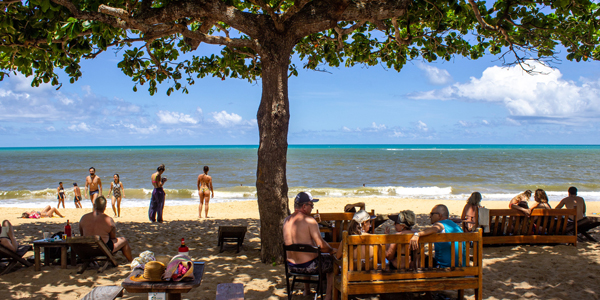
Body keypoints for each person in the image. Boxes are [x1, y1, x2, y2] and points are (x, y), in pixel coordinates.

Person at [283, 192, 335, 300]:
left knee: (306, 253)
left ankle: (306, 290)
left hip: (291, 266)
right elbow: (321, 244)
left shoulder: (286, 221)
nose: (312, 208)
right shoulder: (310, 221)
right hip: (309, 267)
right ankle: (329, 296)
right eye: (311, 205)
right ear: (304, 206)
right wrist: (331, 250)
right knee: (332, 261)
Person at [79, 196, 133, 262]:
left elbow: (82, 235)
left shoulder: (84, 218)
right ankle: (131, 261)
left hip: (87, 249)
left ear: (94, 205)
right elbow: (113, 237)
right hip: (103, 249)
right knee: (124, 240)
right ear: (105, 206)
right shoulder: (108, 220)